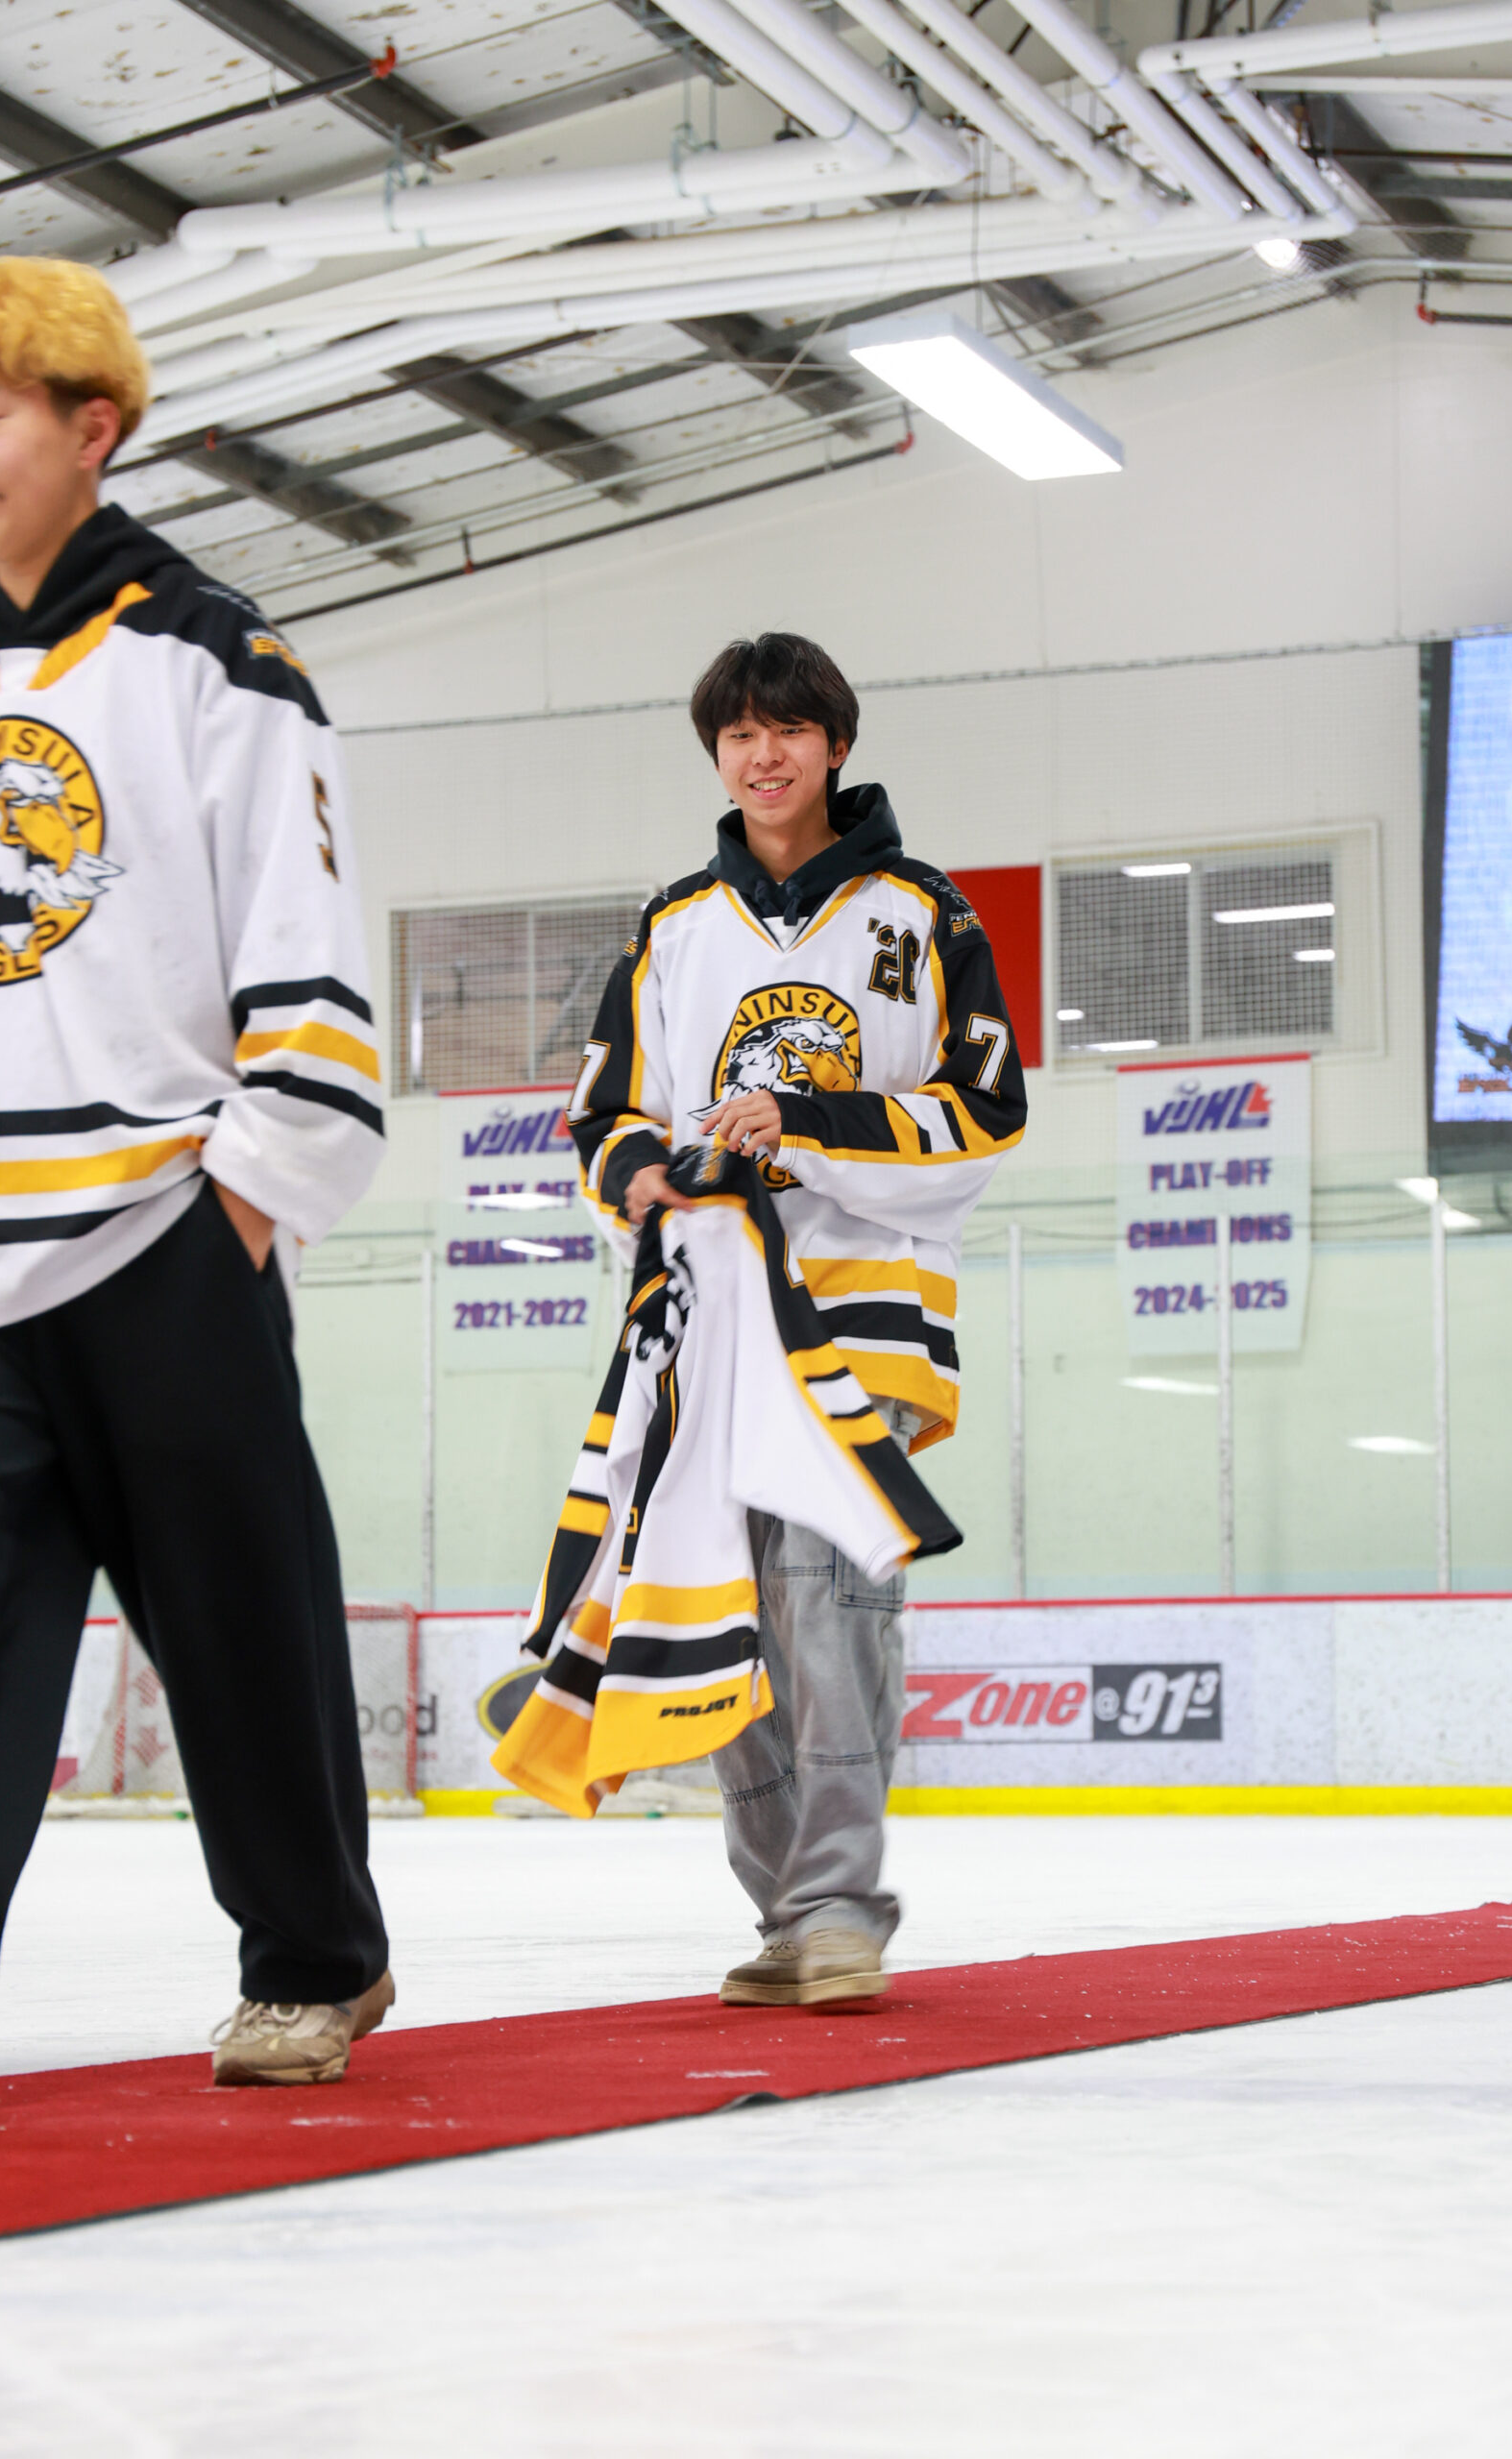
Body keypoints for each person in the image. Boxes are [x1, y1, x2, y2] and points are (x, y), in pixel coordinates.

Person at [0, 256, 393, 2085]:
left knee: (242, 1632)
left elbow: (301, 942)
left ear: (93, 427)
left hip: (161, 1229)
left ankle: (314, 1961)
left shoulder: (219, 656)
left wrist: (238, 1202)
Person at [570, 631, 1026, 2004]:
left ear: (836, 744)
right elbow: (606, 1113)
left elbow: (985, 1114)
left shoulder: (923, 912)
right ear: (717, 755)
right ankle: (791, 1914)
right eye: (739, 735)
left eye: (789, 731)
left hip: (863, 1322)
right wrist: (639, 1178)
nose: (764, 756)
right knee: (719, 1612)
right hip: (712, 1325)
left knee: (827, 1609)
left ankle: (837, 1907)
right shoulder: (672, 925)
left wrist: (804, 1123)